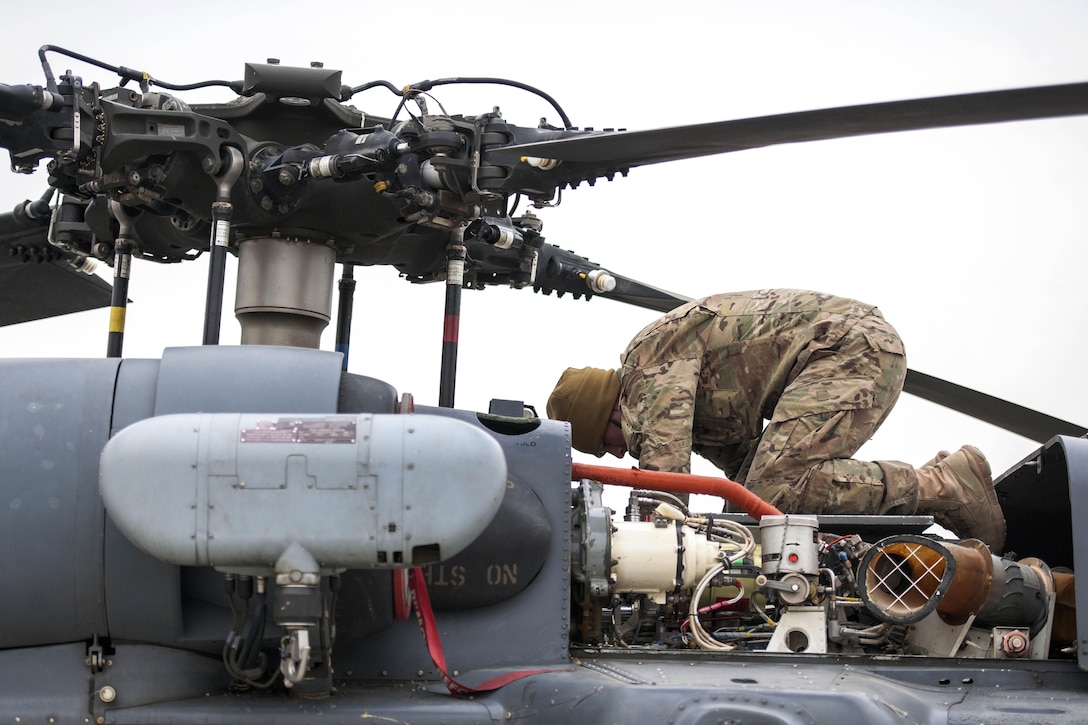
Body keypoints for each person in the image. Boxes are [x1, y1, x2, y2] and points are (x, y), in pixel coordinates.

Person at [547, 289, 1006, 550]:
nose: (617, 453)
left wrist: (638, 554)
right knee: (750, 517)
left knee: (779, 492)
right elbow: (745, 476)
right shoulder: (685, 401)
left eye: (604, 442)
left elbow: (665, 484)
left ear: (606, 410)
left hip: (844, 347)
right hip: (839, 353)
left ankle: (945, 485)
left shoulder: (648, 369)